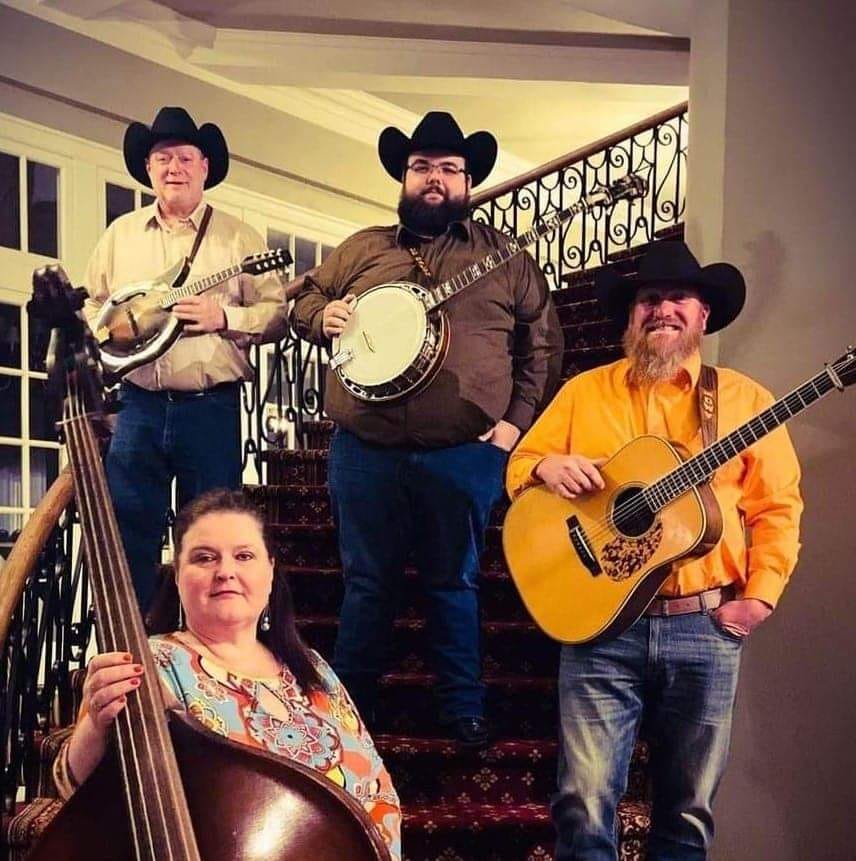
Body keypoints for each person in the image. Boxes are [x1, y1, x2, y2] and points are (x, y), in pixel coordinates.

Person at [506, 240, 803, 859]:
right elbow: (522, 465)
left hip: (704, 625)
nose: (661, 309)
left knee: (688, 814)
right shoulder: (584, 392)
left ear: (702, 317)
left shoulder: (746, 401)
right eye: (648, 299)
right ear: (630, 315)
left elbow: (778, 508)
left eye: (677, 298)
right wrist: (546, 469)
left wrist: (760, 599)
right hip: (598, 626)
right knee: (582, 804)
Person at [291, 111, 562, 748]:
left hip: (463, 454)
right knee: (365, 582)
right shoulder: (362, 248)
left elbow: (543, 348)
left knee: (454, 582)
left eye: (447, 168)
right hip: (365, 450)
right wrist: (320, 313)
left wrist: (513, 429)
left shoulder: (507, 259)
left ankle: (461, 711)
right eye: (421, 167)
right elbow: (301, 299)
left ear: (468, 181)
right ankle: (352, 711)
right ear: (404, 177)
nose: (433, 178)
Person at [53, 489, 401, 860]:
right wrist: (97, 721)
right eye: (204, 558)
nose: (226, 572)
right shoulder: (151, 663)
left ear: (269, 571)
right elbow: (74, 786)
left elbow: (375, 787)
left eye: (244, 556)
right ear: (177, 576)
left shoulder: (312, 667)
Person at [82, 106, 286, 610]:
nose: (174, 167)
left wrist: (226, 318)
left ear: (205, 167)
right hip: (137, 406)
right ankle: (135, 653)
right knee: (130, 533)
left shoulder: (238, 237)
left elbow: (278, 313)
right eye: (162, 158)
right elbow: (92, 302)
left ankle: (205, 648)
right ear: (149, 169)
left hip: (209, 408)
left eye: (185, 157)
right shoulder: (120, 235)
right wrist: (108, 335)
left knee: (213, 536)